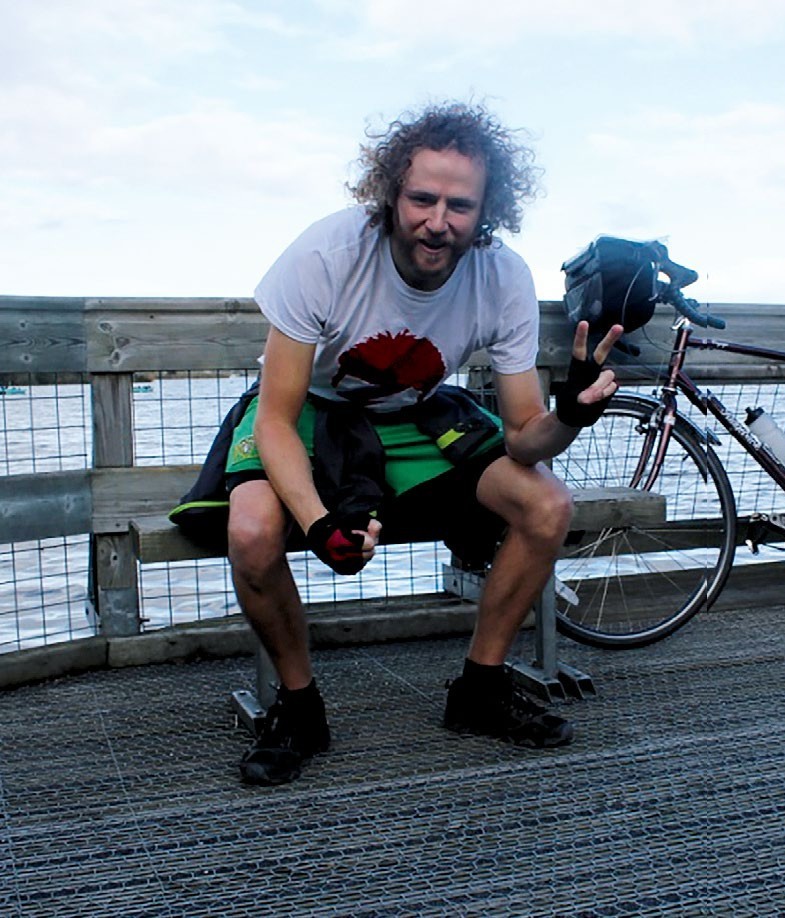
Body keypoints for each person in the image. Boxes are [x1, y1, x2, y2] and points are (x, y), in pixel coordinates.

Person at [226, 101, 623, 786]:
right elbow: (275, 418)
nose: (438, 222)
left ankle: (480, 689)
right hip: (312, 418)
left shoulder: (503, 276)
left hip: (420, 417)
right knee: (254, 529)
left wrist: (571, 415)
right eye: (422, 199)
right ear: (389, 194)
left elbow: (528, 440)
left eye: (460, 205)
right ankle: (298, 709)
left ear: (487, 209)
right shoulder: (325, 254)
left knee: (546, 504)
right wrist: (320, 525)